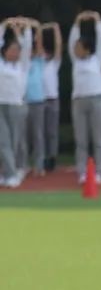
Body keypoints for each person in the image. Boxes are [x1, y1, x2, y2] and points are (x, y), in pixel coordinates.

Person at [69, 11, 101, 185]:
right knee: (81, 139)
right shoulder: (75, 61)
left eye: (79, 46)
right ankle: (82, 171)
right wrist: (77, 22)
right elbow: (71, 41)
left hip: (96, 99)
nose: (75, 49)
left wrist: (98, 21)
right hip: (79, 101)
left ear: (86, 48)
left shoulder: (96, 58)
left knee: (98, 137)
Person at [0, 17, 34, 188]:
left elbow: (27, 47)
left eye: (16, 50)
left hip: (17, 105)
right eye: (11, 49)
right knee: (3, 141)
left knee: (14, 141)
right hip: (0, 105)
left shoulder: (23, 65)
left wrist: (25, 29)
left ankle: (12, 172)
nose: (14, 52)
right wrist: (4, 27)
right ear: (5, 51)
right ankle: (9, 173)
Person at [24, 21, 48, 178]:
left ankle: (39, 165)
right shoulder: (22, 63)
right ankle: (24, 165)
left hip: (38, 101)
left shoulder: (39, 61)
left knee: (38, 135)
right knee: (24, 136)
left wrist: (36, 29)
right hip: (24, 101)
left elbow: (39, 45)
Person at [41, 22, 63, 174]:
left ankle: (52, 157)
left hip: (53, 99)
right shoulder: (37, 65)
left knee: (52, 131)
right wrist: (38, 31)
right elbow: (36, 45)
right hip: (40, 100)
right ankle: (42, 158)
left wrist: (56, 29)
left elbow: (59, 46)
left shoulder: (54, 64)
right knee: (40, 132)